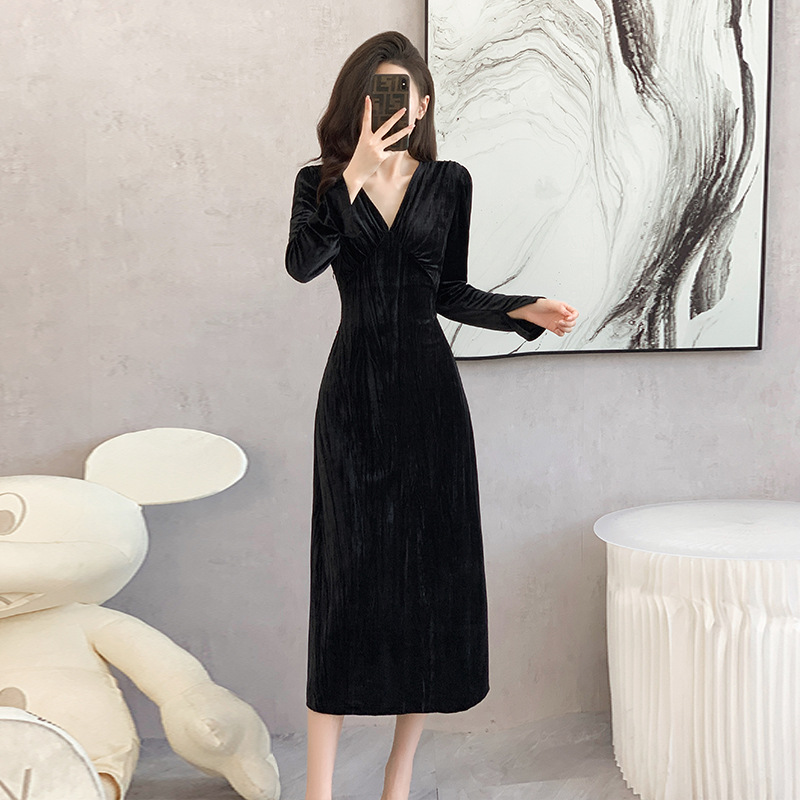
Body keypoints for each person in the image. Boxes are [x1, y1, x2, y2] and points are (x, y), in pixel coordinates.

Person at [285, 30, 578, 800]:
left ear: (423, 104)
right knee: (344, 589)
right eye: (376, 93)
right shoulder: (318, 182)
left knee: (426, 581)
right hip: (352, 400)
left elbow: (448, 291)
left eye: (403, 93)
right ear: (357, 103)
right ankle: (318, 790)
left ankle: (400, 772)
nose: (391, 106)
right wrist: (354, 174)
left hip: (429, 400)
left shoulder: (450, 182)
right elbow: (302, 264)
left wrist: (522, 309)